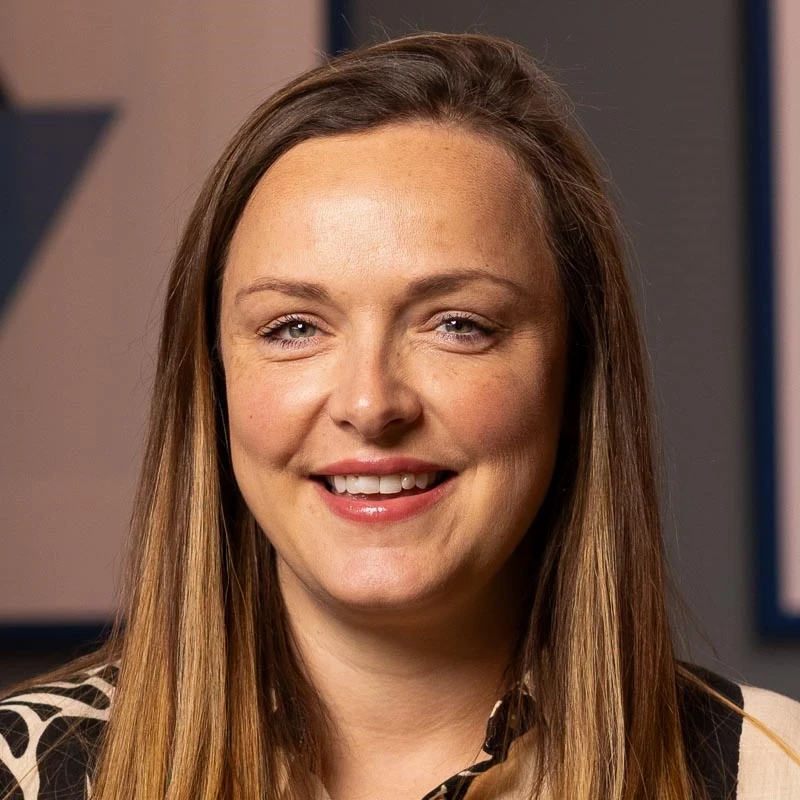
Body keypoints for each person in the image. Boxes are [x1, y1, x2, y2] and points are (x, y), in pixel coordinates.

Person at [1, 31, 799, 800]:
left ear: (575, 371)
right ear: (211, 381)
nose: (370, 404)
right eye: (294, 328)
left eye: (458, 324)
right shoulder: (25, 778)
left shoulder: (774, 773)